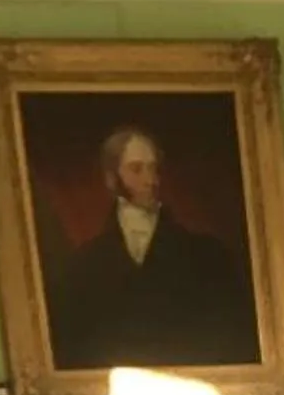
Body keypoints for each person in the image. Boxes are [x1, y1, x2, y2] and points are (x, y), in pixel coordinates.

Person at [47, 124, 257, 371]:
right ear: (111, 177)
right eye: (136, 169)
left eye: (153, 168)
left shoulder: (206, 255)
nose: (150, 180)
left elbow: (227, 333)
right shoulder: (83, 265)